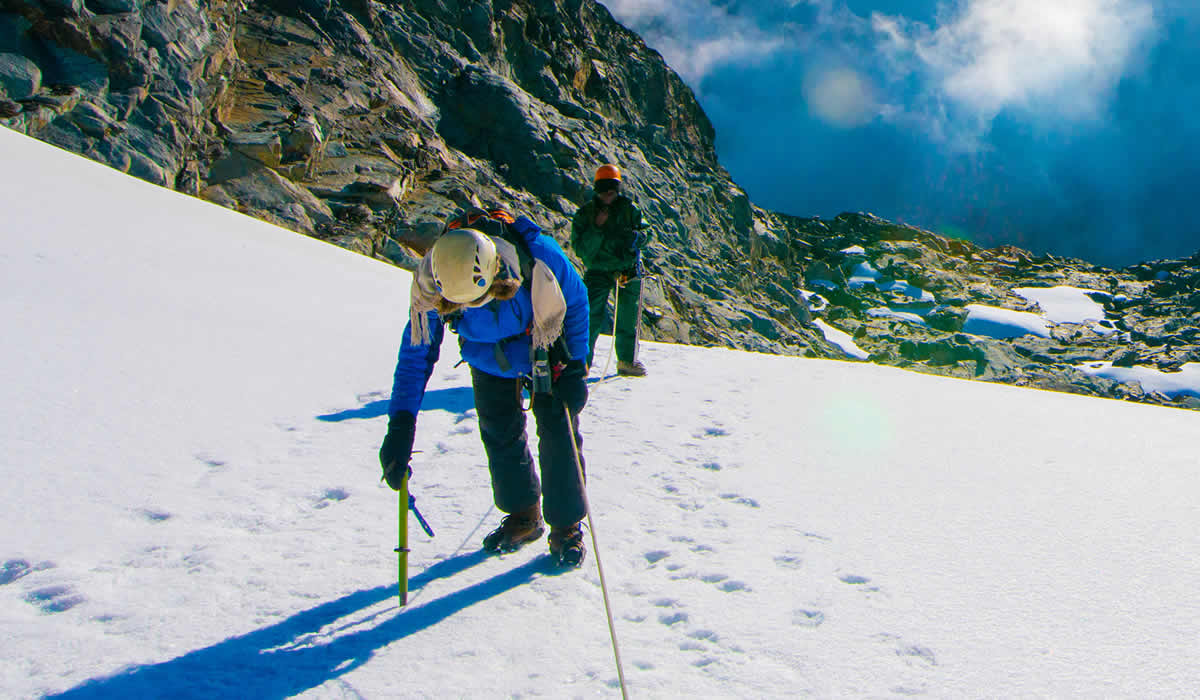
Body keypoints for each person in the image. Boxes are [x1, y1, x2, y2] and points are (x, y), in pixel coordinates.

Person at [378, 206, 592, 567]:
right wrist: (400, 426)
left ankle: (566, 526)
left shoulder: (537, 257)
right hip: (487, 356)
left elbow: (576, 300)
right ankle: (525, 515)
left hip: (543, 342)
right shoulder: (433, 283)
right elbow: (416, 354)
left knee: (558, 429)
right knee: (499, 430)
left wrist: (575, 366)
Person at [571, 164, 648, 377]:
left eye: (612, 188)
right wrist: (597, 227)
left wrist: (639, 238)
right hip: (598, 270)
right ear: (598, 189)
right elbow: (581, 249)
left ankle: (626, 361)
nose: (609, 193)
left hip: (627, 268)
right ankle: (582, 363)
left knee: (628, 317)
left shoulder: (629, 209)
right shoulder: (586, 215)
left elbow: (645, 231)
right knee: (590, 317)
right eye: (605, 188)